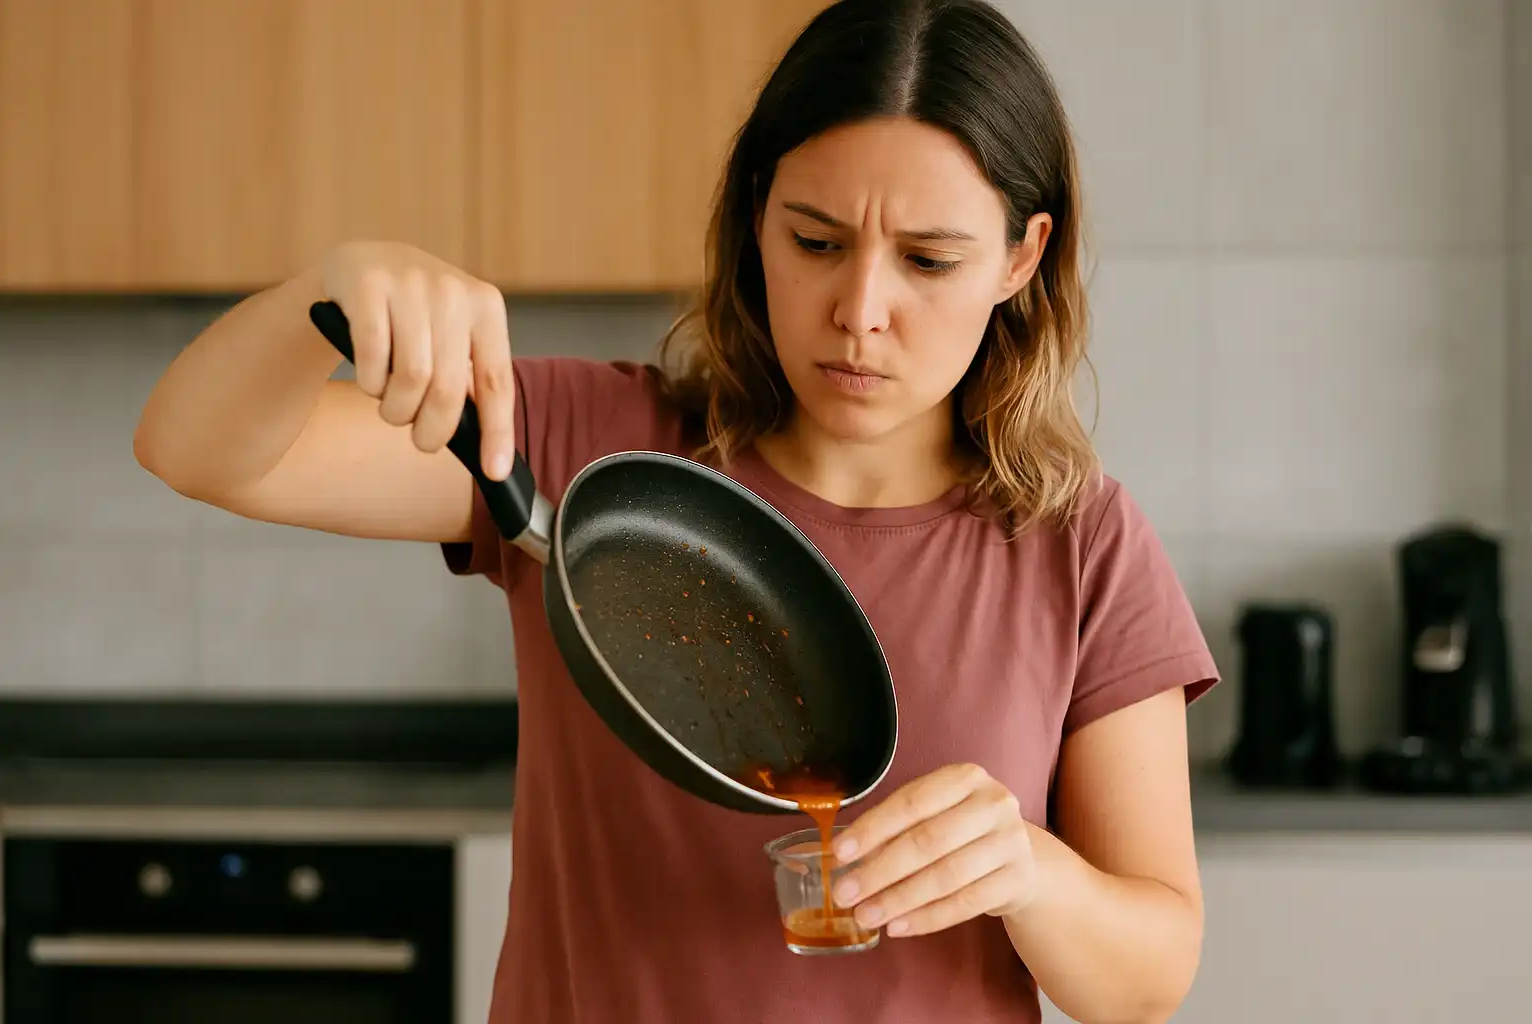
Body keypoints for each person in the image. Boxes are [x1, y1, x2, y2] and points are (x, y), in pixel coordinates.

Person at [134, 0, 1219, 1020]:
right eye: (815, 240)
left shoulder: (1080, 545)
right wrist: (320, 296)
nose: (860, 312)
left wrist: (1029, 873)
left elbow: (1148, 976)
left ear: (1021, 258)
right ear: (756, 217)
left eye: (930, 260)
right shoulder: (582, 453)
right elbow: (195, 449)